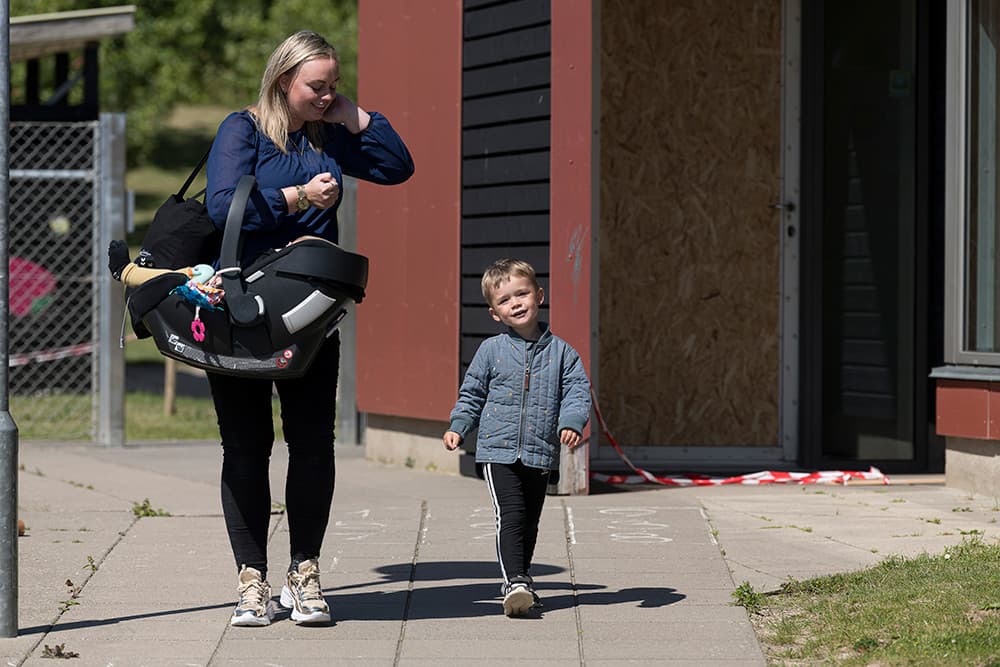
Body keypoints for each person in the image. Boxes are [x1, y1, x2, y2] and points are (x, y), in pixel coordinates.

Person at [203, 30, 413, 627]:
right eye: (316, 87)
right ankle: (251, 580)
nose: (327, 96)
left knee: (313, 444)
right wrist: (296, 197)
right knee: (246, 447)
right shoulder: (241, 130)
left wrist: (356, 115)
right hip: (241, 310)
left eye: (333, 85)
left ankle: (304, 572)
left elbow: (399, 168)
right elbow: (223, 207)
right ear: (282, 82)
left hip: (312, 315)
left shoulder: (327, 137)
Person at [442, 258, 591, 617]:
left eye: (522, 293)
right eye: (505, 300)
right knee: (510, 514)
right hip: (498, 451)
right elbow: (472, 393)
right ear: (495, 314)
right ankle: (514, 582)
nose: (516, 303)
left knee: (530, 520)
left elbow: (577, 391)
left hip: (540, 452)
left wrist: (571, 421)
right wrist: (459, 426)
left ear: (539, 295)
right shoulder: (490, 351)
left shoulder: (562, 354)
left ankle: (522, 578)